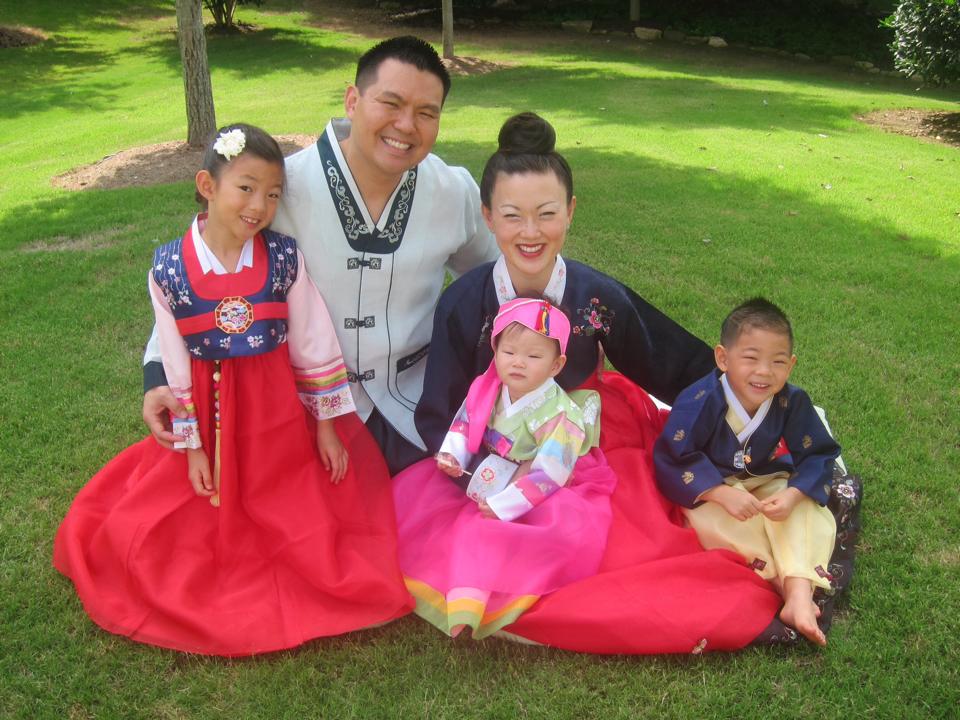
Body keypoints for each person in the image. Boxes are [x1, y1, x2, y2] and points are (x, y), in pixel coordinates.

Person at [406, 112, 787, 654]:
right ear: (488, 217)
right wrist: (479, 471)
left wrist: (738, 399)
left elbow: (664, 357)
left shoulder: (595, 294)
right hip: (493, 443)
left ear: (571, 211)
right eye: (512, 216)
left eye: (547, 214)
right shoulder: (464, 302)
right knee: (478, 528)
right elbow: (440, 406)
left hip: (585, 438)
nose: (531, 232)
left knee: (623, 545)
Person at [54, 124, 412, 656]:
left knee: (292, 501)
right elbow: (174, 360)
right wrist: (194, 446)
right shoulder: (169, 269)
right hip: (206, 409)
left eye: (272, 195)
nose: (259, 206)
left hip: (275, 413)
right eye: (246, 188)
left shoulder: (284, 259)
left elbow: (311, 342)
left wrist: (327, 428)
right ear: (207, 185)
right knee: (190, 513)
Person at [142, 36, 498, 474]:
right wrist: (157, 373)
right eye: (391, 103)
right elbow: (199, 277)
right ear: (352, 100)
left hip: (417, 404)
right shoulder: (280, 189)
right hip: (299, 412)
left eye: (427, 113)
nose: (406, 125)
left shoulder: (454, 191)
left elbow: (496, 279)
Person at [394, 297, 617, 638]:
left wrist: (505, 504)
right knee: (421, 503)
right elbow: (465, 424)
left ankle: (475, 599)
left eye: (534, 356)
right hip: (488, 467)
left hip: (535, 484)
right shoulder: (489, 389)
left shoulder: (561, 416)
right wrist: (454, 455)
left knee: (486, 533)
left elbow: (549, 473)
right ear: (495, 351)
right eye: (509, 352)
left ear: (556, 365)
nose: (518, 363)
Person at [654, 298, 840, 646]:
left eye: (778, 361)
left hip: (767, 479)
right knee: (714, 524)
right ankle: (785, 584)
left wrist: (793, 494)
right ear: (723, 358)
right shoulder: (700, 400)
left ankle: (798, 590)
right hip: (715, 485)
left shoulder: (790, 401)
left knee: (806, 512)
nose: (764, 372)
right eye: (751, 358)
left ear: (791, 365)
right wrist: (719, 493)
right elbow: (673, 456)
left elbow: (818, 453)